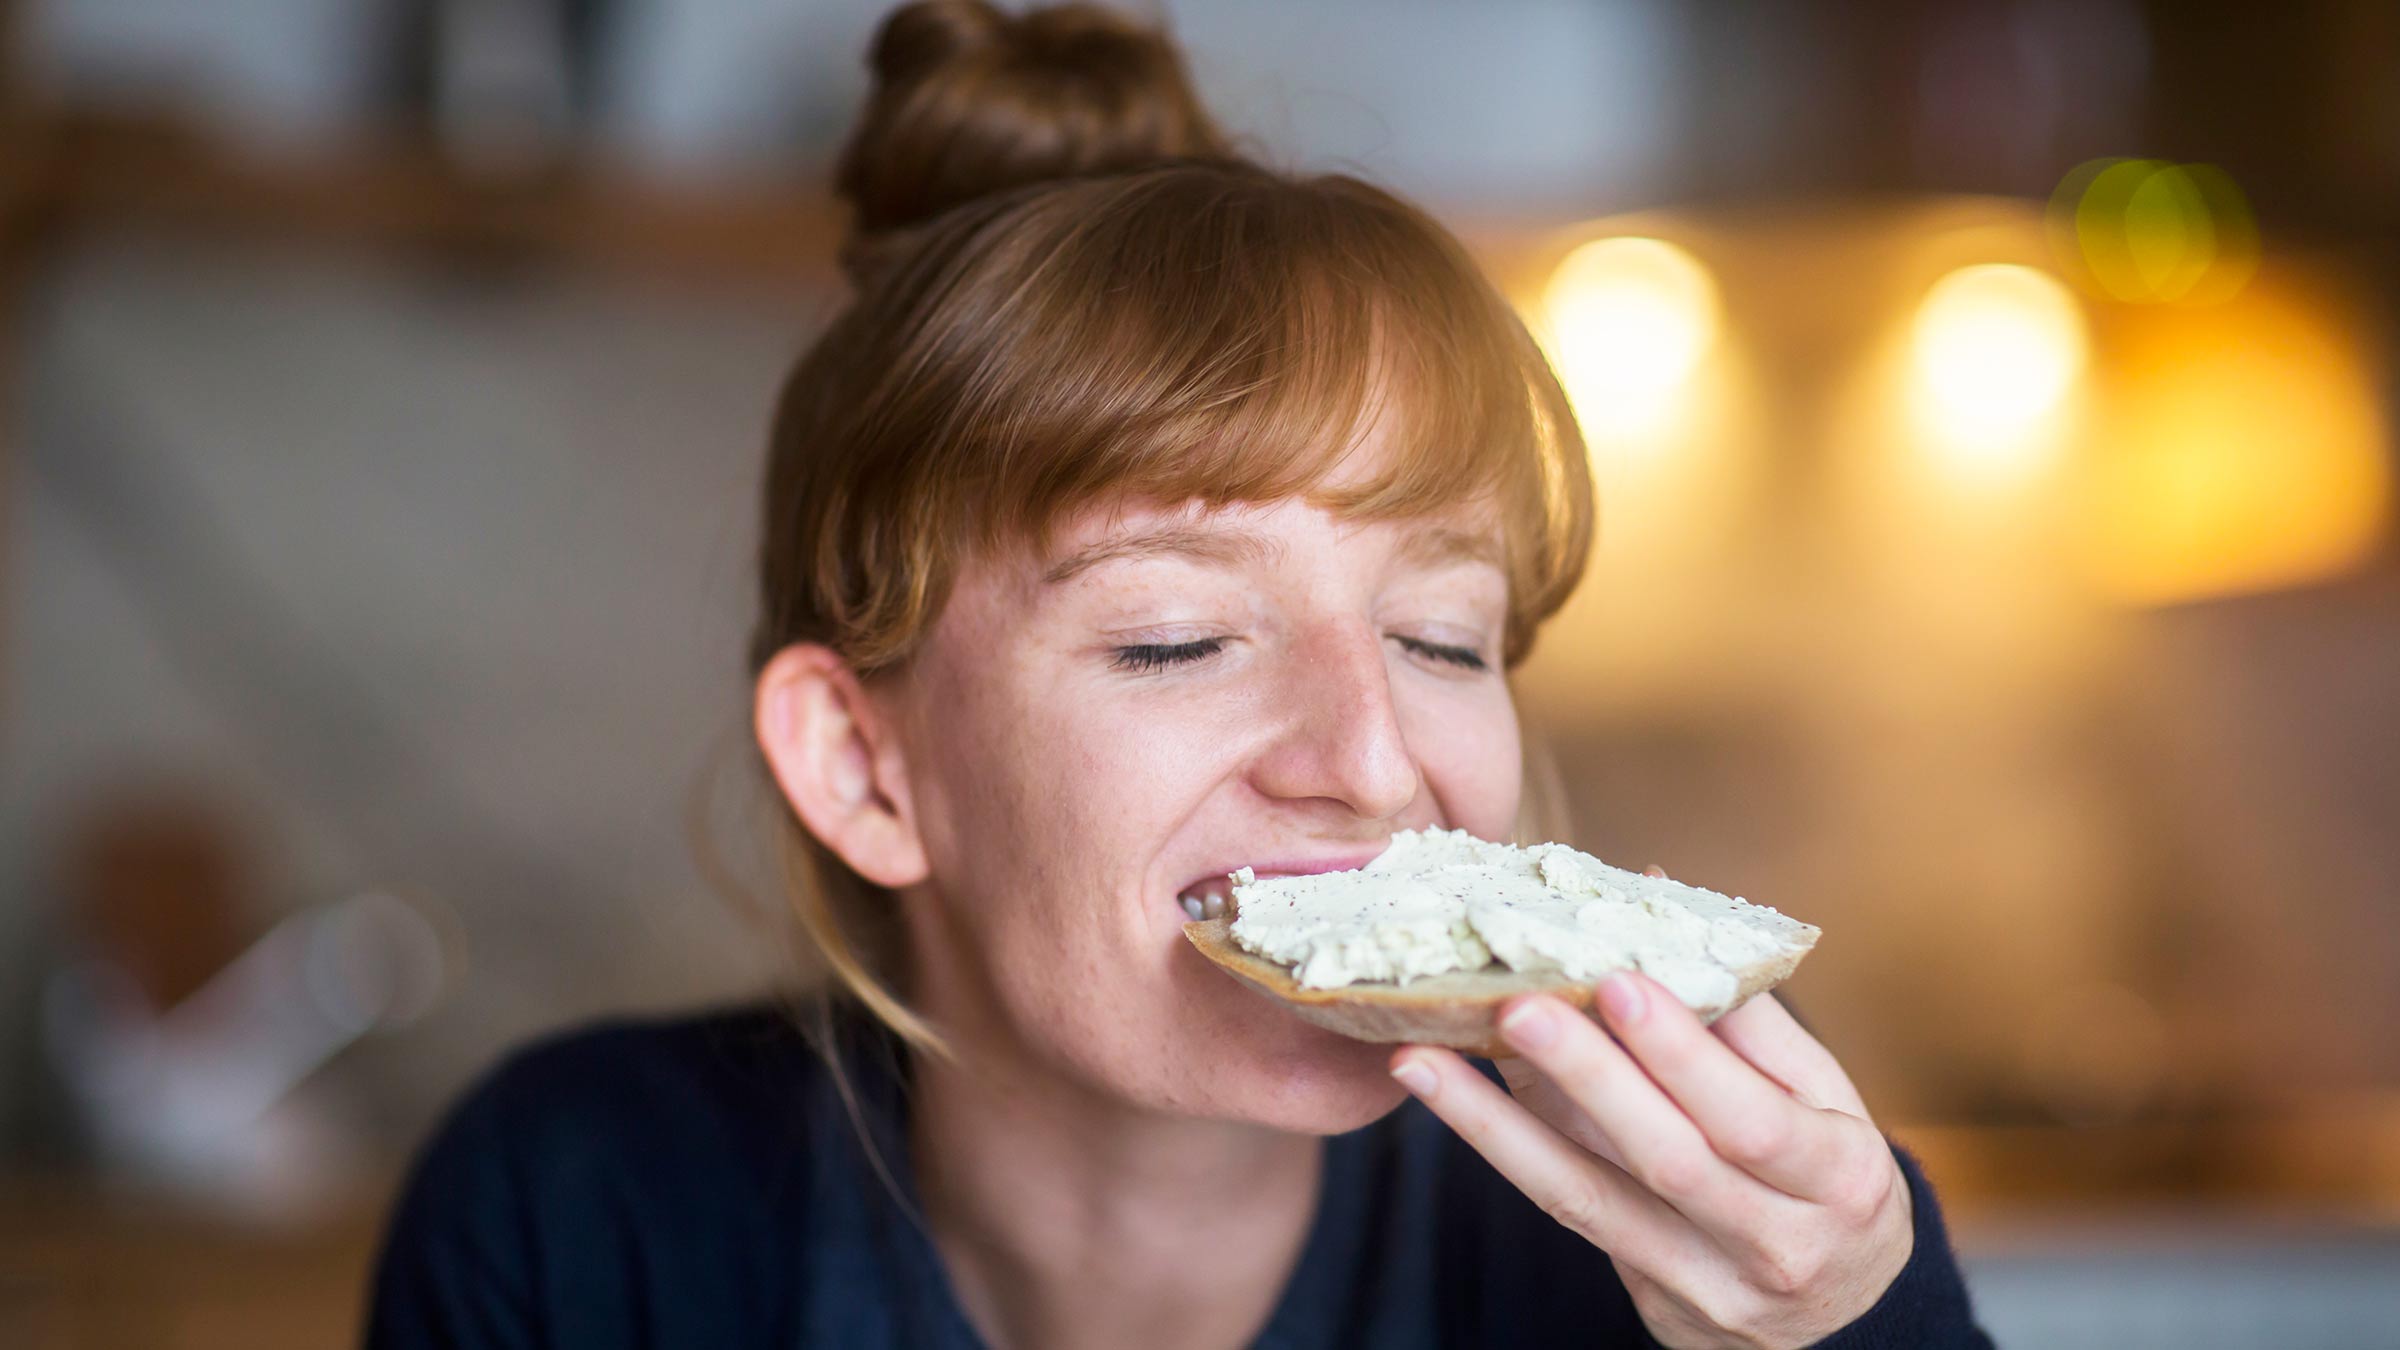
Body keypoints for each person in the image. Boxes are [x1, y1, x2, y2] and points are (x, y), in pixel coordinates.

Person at [366, 2, 1995, 1346]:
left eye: (1441, 637)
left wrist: (1864, 1327)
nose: (1368, 758)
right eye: (1175, 638)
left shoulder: (1659, 1263)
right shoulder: (577, 1218)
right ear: (868, 768)